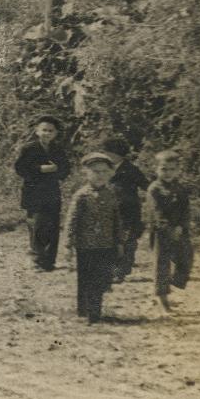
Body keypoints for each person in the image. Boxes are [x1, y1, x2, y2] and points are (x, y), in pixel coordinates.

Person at [63, 152, 122, 324]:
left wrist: (119, 241)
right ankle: (90, 313)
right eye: (96, 172)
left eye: (104, 172)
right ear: (86, 173)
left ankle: (90, 310)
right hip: (86, 245)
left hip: (106, 244)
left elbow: (116, 219)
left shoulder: (111, 194)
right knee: (87, 278)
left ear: (110, 173)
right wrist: (68, 244)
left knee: (102, 277)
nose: (100, 175)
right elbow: (72, 220)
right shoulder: (81, 196)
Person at [14, 115, 71, 271]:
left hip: (52, 191)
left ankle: (49, 261)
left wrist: (57, 169)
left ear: (56, 133)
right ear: (37, 131)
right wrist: (40, 169)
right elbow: (20, 168)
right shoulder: (29, 148)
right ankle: (37, 260)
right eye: (44, 130)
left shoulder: (58, 149)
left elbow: (66, 169)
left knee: (52, 225)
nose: (47, 133)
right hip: (33, 192)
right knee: (37, 225)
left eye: (50, 131)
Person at [146, 150, 193, 312]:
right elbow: (157, 212)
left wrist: (182, 226)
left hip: (180, 229)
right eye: (164, 169)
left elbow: (186, 209)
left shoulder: (180, 188)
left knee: (186, 257)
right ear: (156, 169)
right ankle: (162, 298)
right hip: (161, 232)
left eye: (172, 169)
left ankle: (175, 281)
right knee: (162, 264)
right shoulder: (154, 189)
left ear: (178, 170)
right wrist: (168, 228)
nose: (168, 173)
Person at [101, 137, 151, 283]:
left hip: (129, 212)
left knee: (128, 241)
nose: (104, 156)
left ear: (117, 154)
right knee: (111, 241)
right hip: (110, 211)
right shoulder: (104, 169)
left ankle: (121, 270)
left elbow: (146, 185)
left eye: (107, 153)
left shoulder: (131, 169)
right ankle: (113, 270)